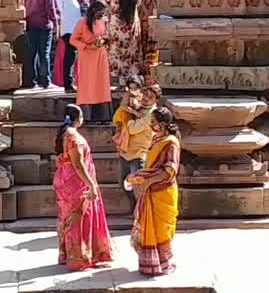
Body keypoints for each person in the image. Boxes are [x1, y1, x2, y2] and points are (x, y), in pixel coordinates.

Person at [53, 104, 115, 271]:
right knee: (80, 218)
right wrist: (91, 185)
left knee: (68, 218)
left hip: (64, 180)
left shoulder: (63, 134)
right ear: (78, 119)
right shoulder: (74, 138)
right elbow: (78, 165)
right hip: (76, 182)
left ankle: (69, 255)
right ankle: (79, 258)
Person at [127, 107, 181, 276]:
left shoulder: (171, 142)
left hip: (162, 192)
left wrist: (148, 180)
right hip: (150, 191)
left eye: (153, 122)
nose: (151, 125)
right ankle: (150, 265)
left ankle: (163, 264)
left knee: (161, 230)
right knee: (148, 229)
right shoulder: (157, 139)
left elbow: (170, 170)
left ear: (163, 124)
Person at [117, 85, 161, 208]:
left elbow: (132, 129)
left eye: (150, 97)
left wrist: (128, 117)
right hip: (125, 150)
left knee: (138, 185)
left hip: (139, 153)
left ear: (155, 100)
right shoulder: (137, 106)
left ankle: (141, 210)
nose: (146, 98)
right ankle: (135, 205)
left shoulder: (151, 115)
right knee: (123, 183)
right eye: (145, 94)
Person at [99, 0, 143, 85]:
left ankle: (121, 81)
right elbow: (139, 3)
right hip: (131, 27)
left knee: (117, 54)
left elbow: (100, 2)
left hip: (116, 29)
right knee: (131, 53)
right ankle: (132, 80)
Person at [70, 1, 112, 122]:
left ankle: (103, 116)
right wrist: (87, 46)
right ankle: (86, 116)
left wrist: (102, 41)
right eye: (100, 13)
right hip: (87, 57)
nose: (102, 15)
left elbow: (105, 35)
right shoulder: (82, 22)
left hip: (100, 56)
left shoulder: (102, 21)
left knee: (101, 84)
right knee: (87, 85)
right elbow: (73, 40)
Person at [25, 0, 59, 88]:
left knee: (31, 53)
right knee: (44, 53)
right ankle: (45, 80)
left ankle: (30, 81)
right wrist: (55, 23)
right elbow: (50, 6)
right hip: (44, 23)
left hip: (30, 22)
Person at [53, 0, 82, 92]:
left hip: (72, 30)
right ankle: (68, 84)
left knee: (70, 58)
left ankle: (69, 83)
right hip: (69, 31)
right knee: (69, 58)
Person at [111, 75, 144, 154]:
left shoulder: (142, 94)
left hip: (135, 117)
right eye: (131, 88)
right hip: (124, 116)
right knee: (124, 134)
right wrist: (134, 112)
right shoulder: (128, 94)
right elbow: (123, 106)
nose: (133, 90)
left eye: (135, 88)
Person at [139, 0, 156, 76]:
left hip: (149, 27)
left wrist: (143, 5)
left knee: (150, 50)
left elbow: (149, 13)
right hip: (143, 26)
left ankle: (150, 73)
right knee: (143, 49)